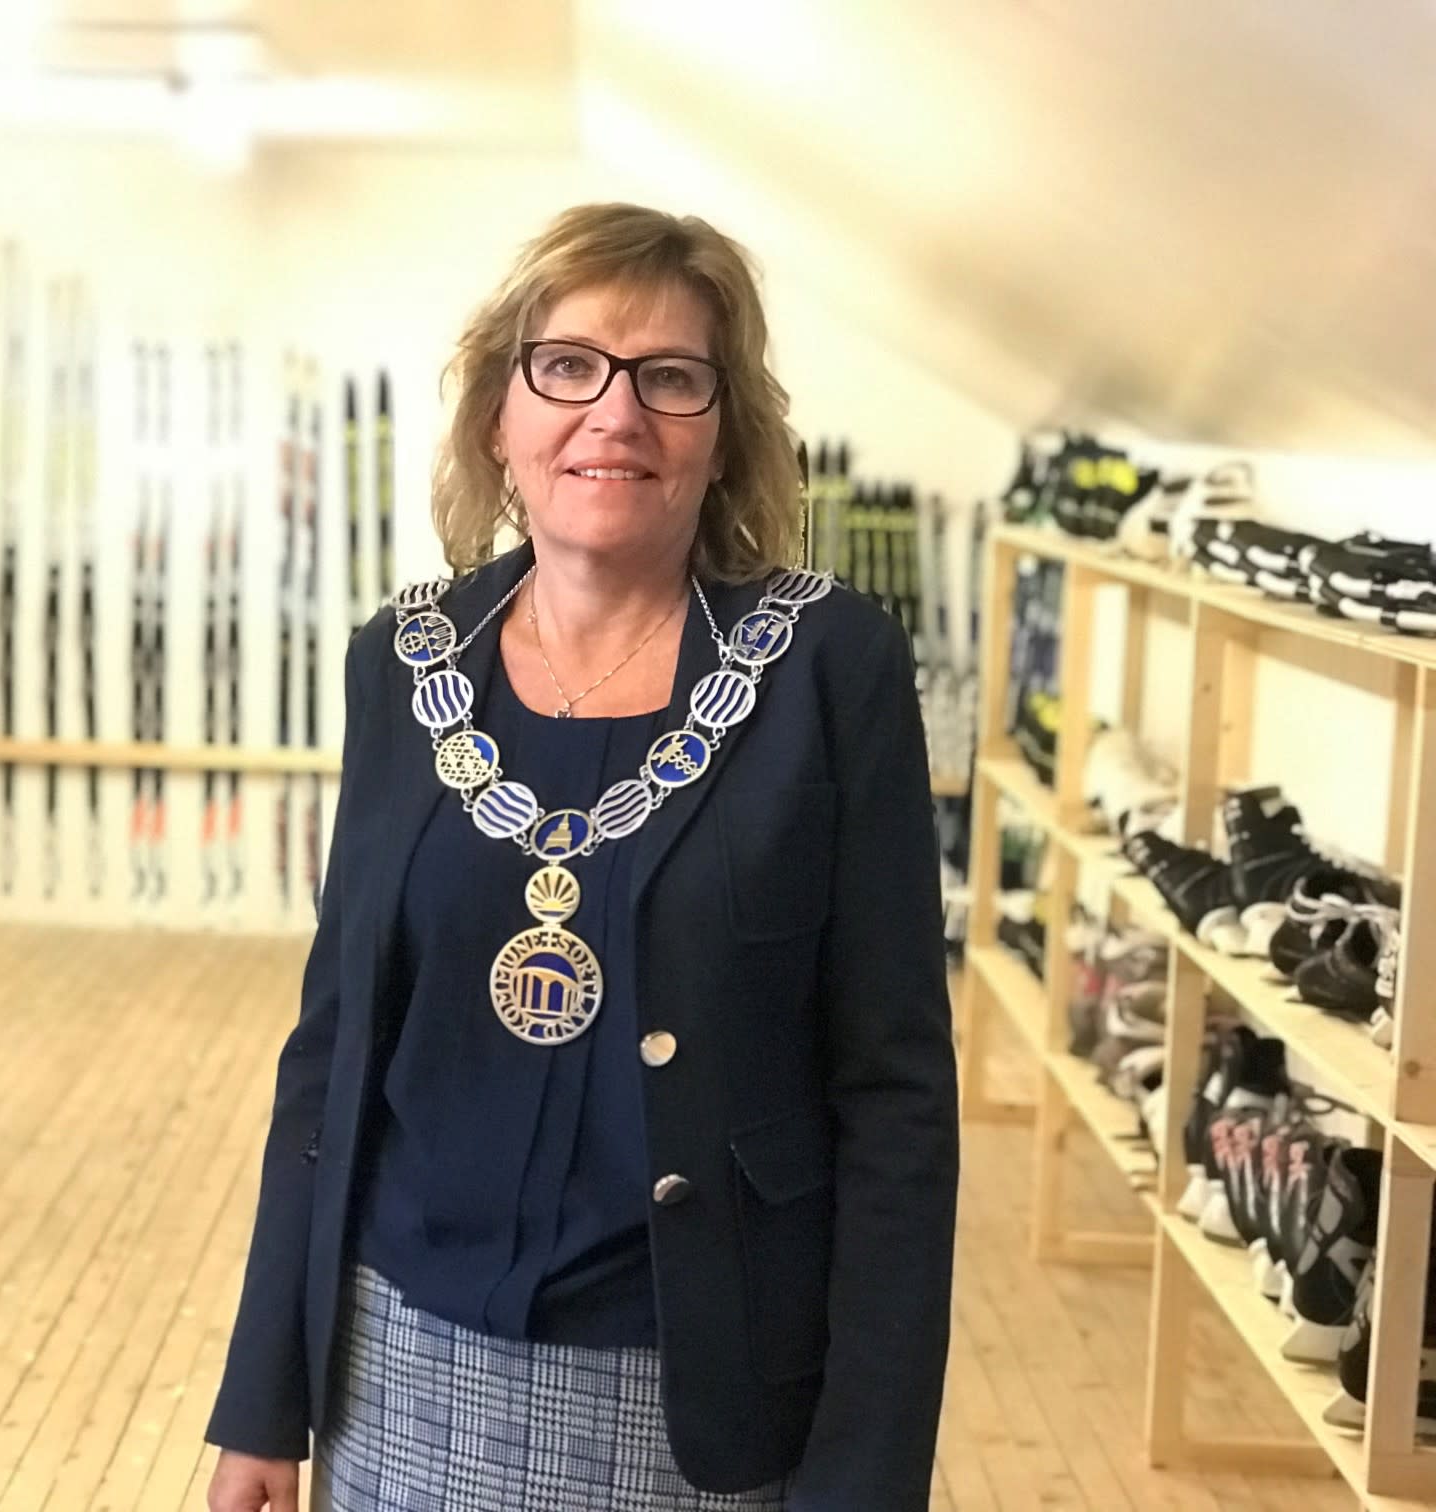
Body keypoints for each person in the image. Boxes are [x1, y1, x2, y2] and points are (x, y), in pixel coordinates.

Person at [204, 202, 958, 1512]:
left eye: (670, 377)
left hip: (697, 1392)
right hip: (395, 1372)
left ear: (726, 430)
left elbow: (894, 1095)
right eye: (567, 367)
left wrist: (864, 1484)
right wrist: (264, 1399)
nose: (616, 414)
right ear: (500, 413)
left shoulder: (828, 668)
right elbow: (331, 1053)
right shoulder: (405, 663)